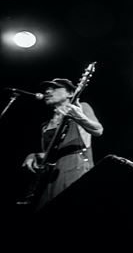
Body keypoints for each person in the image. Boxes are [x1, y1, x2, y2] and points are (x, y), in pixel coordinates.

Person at [21, 78, 103, 209]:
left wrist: (79, 117)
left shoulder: (81, 107)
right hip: (51, 176)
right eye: (47, 89)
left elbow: (98, 130)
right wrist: (34, 155)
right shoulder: (45, 125)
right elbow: (50, 153)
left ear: (70, 93)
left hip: (75, 168)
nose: (47, 91)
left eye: (54, 88)